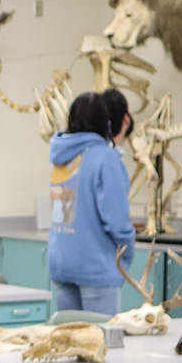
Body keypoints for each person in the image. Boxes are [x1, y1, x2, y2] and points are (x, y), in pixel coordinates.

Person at [47, 91, 136, 317]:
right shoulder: (106, 159)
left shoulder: (61, 158)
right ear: (104, 122)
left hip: (62, 265)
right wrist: (127, 251)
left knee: (69, 344)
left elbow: (64, 213)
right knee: (100, 344)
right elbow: (117, 220)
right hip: (97, 269)